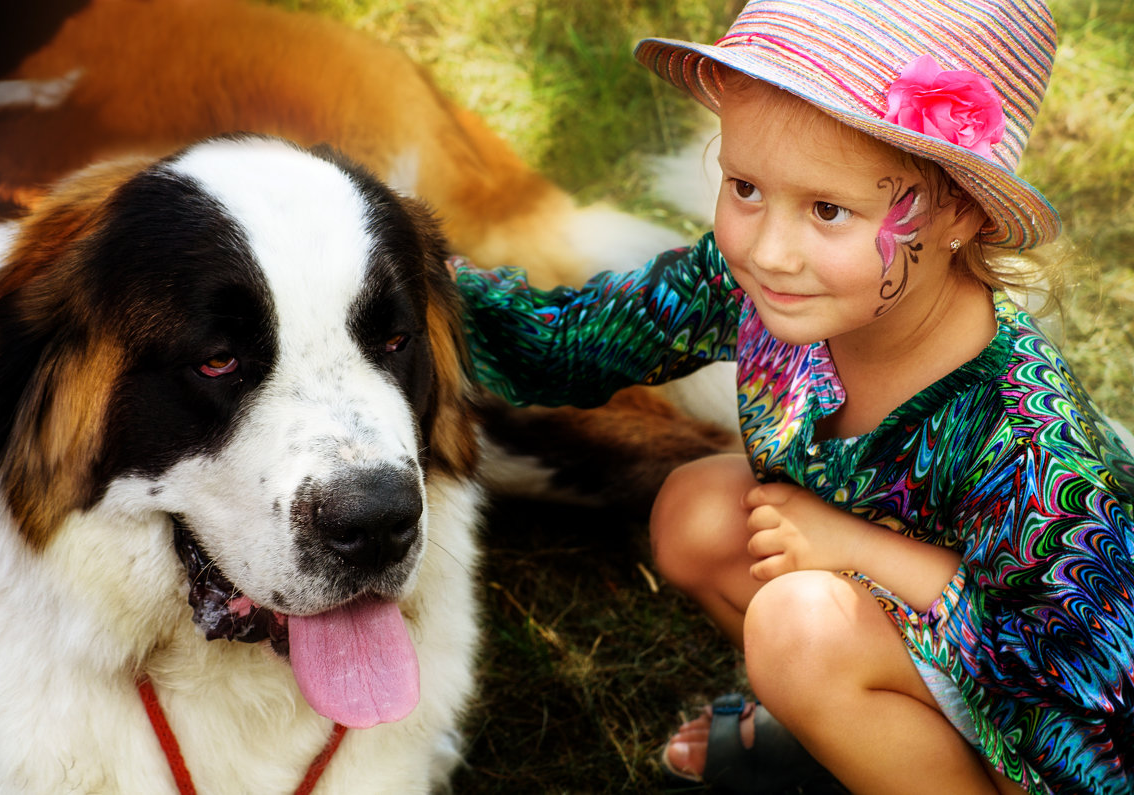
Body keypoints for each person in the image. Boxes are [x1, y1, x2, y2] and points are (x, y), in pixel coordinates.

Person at [451, 0, 1134, 792]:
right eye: (744, 186)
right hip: (917, 645)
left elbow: (1080, 686)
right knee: (697, 512)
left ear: (960, 213)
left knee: (798, 627)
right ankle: (846, 744)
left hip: (1061, 737)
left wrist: (860, 549)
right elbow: (571, 343)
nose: (769, 250)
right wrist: (388, 269)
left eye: (828, 209)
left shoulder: (1027, 436)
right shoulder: (762, 286)